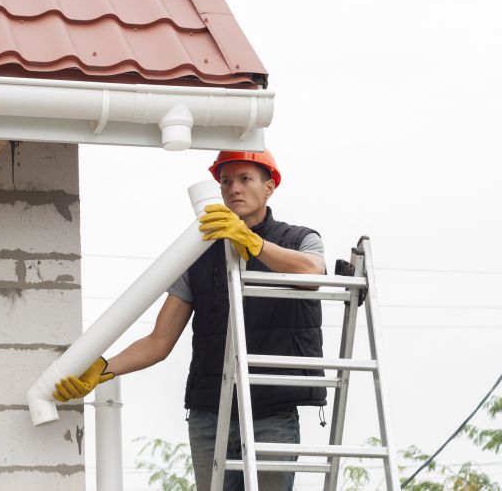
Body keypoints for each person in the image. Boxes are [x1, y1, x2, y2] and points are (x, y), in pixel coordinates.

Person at [53, 150, 326, 491]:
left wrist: (252, 242)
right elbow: (158, 341)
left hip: (271, 408)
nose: (233, 189)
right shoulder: (198, 254)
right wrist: (102, 368)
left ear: (269, 187)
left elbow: (313, 272)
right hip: (210, 410)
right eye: (225, 181)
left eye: (245, 179)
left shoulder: (300, 239)